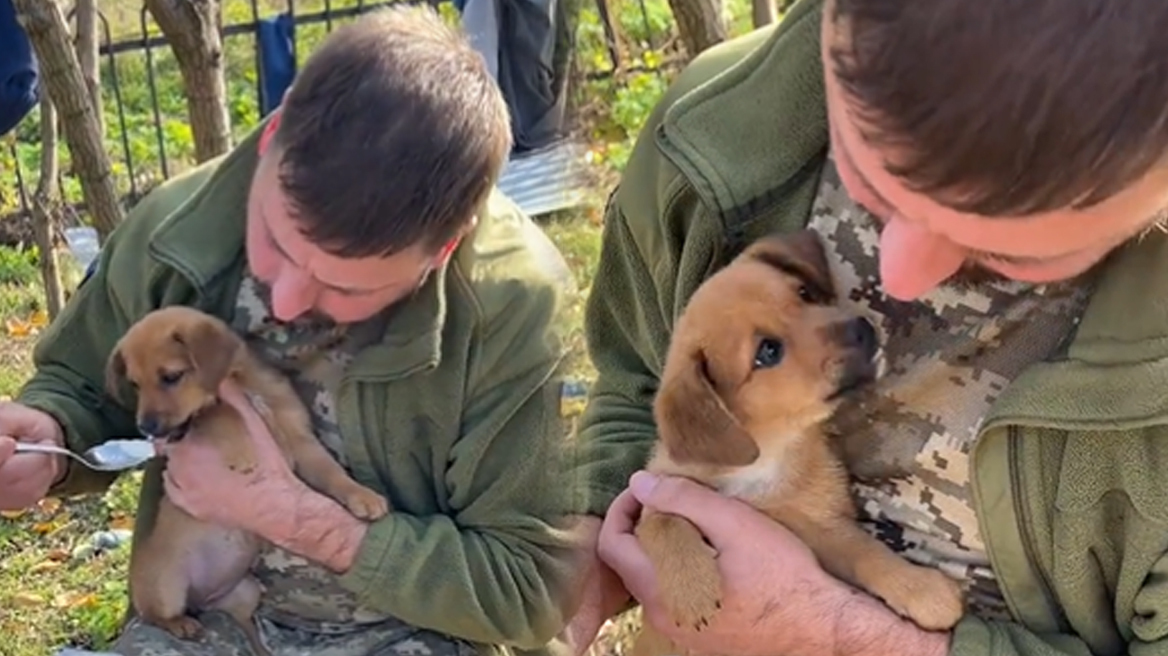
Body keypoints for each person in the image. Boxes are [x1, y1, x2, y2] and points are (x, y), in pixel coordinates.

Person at [566, 0, 1168, 654]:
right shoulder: (709, 139)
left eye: (1015, 255)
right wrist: (591, 533)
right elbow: (634, 380)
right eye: (875, 171)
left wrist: (839, 633)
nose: (903, 273)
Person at [0, 6, 581, 656]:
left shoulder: (512, 306)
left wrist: (306, 522)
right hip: (218, 616)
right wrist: (50, 435)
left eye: (347, 287)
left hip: (415, 631)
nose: (288, 297)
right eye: (275, 241)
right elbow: (82, 382)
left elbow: (528, 587)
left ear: (443, 250)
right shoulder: (175, 234)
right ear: (274, 132)